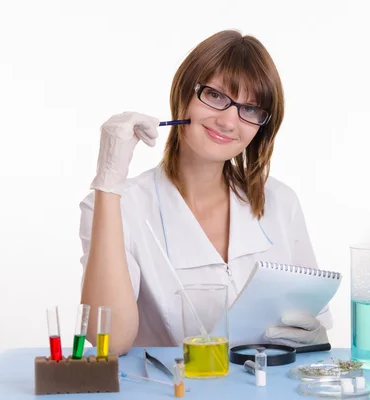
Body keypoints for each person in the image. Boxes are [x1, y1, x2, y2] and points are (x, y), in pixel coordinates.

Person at [78, 29, 332, 355]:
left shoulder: (281, 203)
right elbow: (109, 342)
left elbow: (310, 330)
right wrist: (108, 183)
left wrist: (314, 336)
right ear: (183, 93)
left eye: (251, 109)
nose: (228, 121)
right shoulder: (119, 208)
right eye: (215, 96)